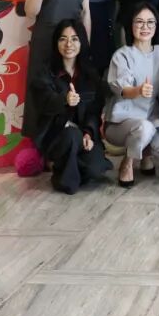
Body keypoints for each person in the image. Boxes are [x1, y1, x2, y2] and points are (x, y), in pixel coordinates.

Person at [26, 20, 111, 194]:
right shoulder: (45, 73)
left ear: (82, 42)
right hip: (56, 136)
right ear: (56, 43)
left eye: (74, 39)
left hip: (82, 137)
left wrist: (88, 133)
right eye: (63, 39)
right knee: (72, 135)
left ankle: (64, 167)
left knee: (97, 169)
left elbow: (93, 112)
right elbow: (42, 102)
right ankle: (65, 180)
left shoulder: (90, 75)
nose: (68, 44)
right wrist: (63, 100)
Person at [103, 2, 159, 188]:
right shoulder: (122, 55)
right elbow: (121, 89)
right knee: (144, 128)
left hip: (151, 118)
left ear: (156, 26)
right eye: (139, 22)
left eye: (150, 22)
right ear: (131, 25)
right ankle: (127, 162)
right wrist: (138, 90)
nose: (145, 27)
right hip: (121, 123)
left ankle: (145, 154)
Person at [24, 0, 91, 135]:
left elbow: (86, 12)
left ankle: (77, 138)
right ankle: (41, 141)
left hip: (73, 43)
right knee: (45, 90)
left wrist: (86, 44)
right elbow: (30, 12)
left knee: (74, 88)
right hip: (46, 41)